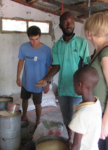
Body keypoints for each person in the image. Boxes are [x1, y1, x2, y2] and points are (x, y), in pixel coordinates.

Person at [36, 12, 90, 140]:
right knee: (67, 119)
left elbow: (87, 66)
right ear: (60, 25)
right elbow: (56, 66)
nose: (69, 24)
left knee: (78, 120)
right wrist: (45, 79)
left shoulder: (82, 43)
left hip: (78, 90)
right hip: (64, 90)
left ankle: (77, 144)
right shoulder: (57, 46)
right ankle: (70, 141)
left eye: (71, 22)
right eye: (65, 22)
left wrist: (86, 89)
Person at [84, 13, 108, 150]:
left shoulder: (107, 54)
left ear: (88, 32)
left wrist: (104, 123)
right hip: (97, 110)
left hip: (105, 112)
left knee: (104, 147)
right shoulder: (99, 51)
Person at [16, 26, 52, 129]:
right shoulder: (24, 47)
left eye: (36, 39)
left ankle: (37, 120)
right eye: (32, 39)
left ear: (40, 37)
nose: (34, 41)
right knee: (24, 99)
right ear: (28, 37)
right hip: (26, 81)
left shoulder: (47, 50)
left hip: (39, 82)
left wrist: (47, 83)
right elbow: (21, 61)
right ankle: (24, 116)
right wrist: (18, 76)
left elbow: (49, 67)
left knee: (37, 104)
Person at [69, 66, 102, 150]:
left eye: (73, 83)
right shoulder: (96, 102)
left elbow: (76, 146)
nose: (73, 85)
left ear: (79, 84)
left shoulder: (81, 114)